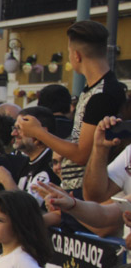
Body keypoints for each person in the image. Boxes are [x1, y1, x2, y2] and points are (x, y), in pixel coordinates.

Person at [19, 21, 126, 194]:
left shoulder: (102, 95)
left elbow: (82, 154)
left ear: (76, 55)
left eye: (69, 52)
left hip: (91, 193)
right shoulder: (95, 89)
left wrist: (38, 132)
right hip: (79, 191)